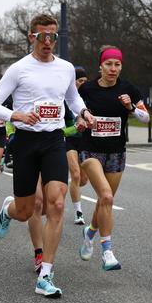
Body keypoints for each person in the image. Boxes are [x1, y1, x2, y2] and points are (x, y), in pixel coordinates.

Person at [0, 13, 94, 298]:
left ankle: (46, 274)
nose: (48, 41)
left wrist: (82, 111)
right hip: (26, 142)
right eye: (42, 36)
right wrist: (15, 114)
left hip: (54, 140)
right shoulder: (19, 69)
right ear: (32, 37)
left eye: (53, 36)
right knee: (26, 210)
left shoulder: (66, 68)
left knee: (56, 205)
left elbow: (72, 98)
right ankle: (8, 211)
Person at [77, 46, 149, 271]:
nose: (113, 69)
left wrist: (130, 107)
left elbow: (145, 118)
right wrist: (79, 120)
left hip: (116, 153)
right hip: (91, 150)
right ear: (100, 66)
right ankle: (107, 251)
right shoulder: (87, 89)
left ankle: (89, 233)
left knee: (104, 201)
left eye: (117, 64)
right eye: (109, 64)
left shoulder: (128, 89)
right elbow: (72, 110)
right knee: (106, 196)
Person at [65, 66, 90, 225]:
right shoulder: (64, 98)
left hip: (85, 140)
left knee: (83, 179)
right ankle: (78, 212)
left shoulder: (89, 96)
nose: (83, 84)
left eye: (85, 81)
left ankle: (73, 185)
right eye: (80, 81)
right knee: (75, 174)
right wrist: (74, 125)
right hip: (69, 139)